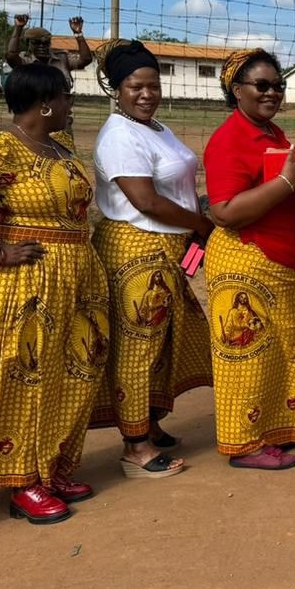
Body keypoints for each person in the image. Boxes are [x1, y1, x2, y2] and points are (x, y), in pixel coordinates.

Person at [0, 65, 108, 524]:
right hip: (24, 284)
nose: (72, 105)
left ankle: (50, 468)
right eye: (67, 97)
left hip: (77, 279)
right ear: (45, 103)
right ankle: (21, 481)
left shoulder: (61, 145)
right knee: (25, 377)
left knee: (75, 373)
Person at [88, 40, 214, 479]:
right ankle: (134, 448)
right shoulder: (119, 134)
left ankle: (149, 423)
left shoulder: (155, 128)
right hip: (137, 246)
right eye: (135, 86)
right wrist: (199, 226)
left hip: (166, 247)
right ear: (117, 90)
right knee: (137, 346)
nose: (146, 94)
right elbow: (146, 201)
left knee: (160, 342)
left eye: (153, 85)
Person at [203, 48, 295, 469]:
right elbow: (223, 211)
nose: (273, 92)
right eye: (262, 85)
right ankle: (245, 444)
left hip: (282, 265)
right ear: (236, 91)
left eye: (278, 85)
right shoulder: (230, 139)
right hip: (247, 261)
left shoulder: (271, 133)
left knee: (285, 352)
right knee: (248, 356)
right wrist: (288, 183)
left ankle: (288, 427)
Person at [6, 15, 93, 88]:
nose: (41, 46)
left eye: (45, 43)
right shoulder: (25, 60)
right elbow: (11, 56)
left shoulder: (62, 58)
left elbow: (86, 59)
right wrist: (18, 28)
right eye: (37, 43)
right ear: (28, 43)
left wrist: (78, 34)